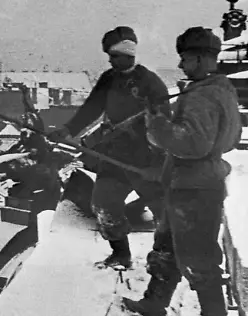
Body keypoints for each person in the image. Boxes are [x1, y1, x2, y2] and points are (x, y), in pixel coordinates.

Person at [122, 27, 240, 316]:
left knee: (198, 259)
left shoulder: (203, 98)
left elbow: (191, 144)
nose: (180, 65)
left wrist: (158, 123)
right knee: (168, 247)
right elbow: (228, 138)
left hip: (194, 189)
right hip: (192, 183)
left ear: (199, 60)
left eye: (184, 59)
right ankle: (154, 302)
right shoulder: (221, 91)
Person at [50, 26, 170, 268]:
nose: (110, 60)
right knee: (104, 204)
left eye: (114, 55)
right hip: (113, 154)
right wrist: (68, 130)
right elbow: (92, 108)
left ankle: (168, 260)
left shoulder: (150, 83)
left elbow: (164, 120)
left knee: (163, 212)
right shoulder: (109, 79)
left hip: (144, 157)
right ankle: (121, 254)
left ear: (128, 54)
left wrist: (154, 149)